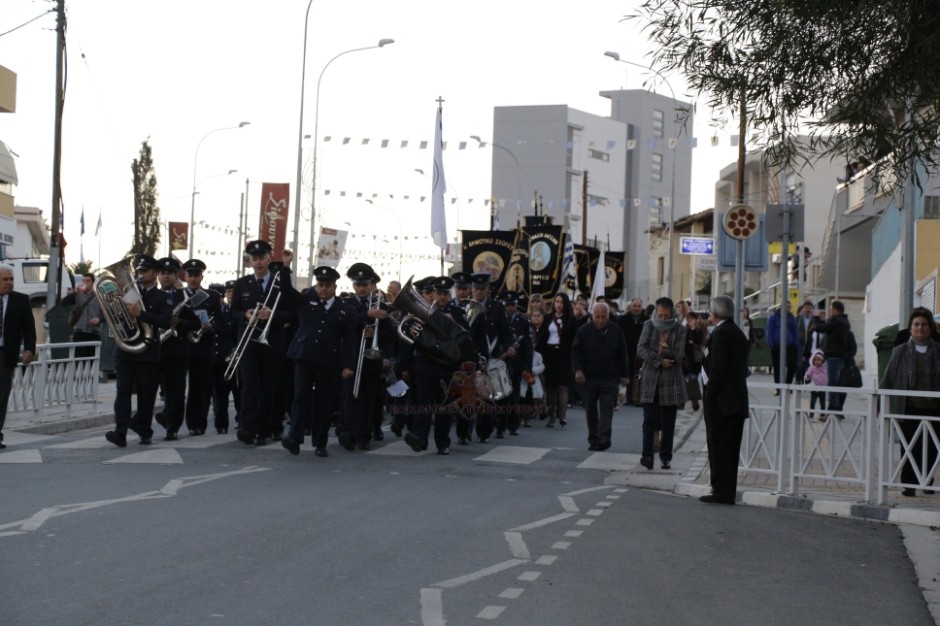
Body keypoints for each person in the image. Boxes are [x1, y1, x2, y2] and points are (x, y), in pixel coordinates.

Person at [280, 266, 356, 457]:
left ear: (334, 287)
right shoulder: (306, 301)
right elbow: (286, 292)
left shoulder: (344, 310)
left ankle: (320, 443)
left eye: (327, 285)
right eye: (320, 285)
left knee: (324, 402)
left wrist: (348, 365)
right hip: (304, 356)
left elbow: (349, 340)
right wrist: (285, 268)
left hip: (328, 361)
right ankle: (294, 438)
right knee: (300, 397)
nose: (323, 289)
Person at [105, 255, 172, 447]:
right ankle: (120, 432)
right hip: (126, 349)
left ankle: (144, 430)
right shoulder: (130, 292)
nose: (141, 274)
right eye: (140, 271)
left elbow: (166, 321)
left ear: (155, 273)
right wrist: (114, 307)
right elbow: (117, 316)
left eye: (146, 271)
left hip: (148, 351)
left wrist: (140, 314)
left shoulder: (162, 297)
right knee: (123, 391)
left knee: (146, 394)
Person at [231, 240, 291, 446]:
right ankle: (246, 427)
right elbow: (232, 312)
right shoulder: (242, 283)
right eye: (254, 259)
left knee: (268, 388)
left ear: (268, 258)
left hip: (272, 342)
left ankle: (264, 429)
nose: (258, 263)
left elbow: (292, 313)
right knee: (249, 386)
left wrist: (271, 315)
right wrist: (245, 315)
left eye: (261, 258)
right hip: (248, 342)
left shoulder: (280, 282)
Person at [879, 307, 940, 497]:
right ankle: (909, 484)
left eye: (923, 324)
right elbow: (887, 379)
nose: (919, 328)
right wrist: (879, 406)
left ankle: (927, 480)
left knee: (932, 447)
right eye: (916, 324)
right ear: (910, 328)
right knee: (909, 447)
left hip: (934, 408)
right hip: (908, 407)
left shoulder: (938, 351)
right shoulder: (900, 351)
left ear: (930, 327)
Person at [700, 295, 750, 505]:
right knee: (730, 448)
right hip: (736, 401)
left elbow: (718, 368)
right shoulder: (736, 332)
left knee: (719, 446)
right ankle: (727, 490)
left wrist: (710, 394)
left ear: (715, 314)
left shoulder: (720, 333)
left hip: (722, 401)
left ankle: (720, 490)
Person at [636, 297, 687, 470]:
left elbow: (679, 354)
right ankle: (647, 455)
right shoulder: (648, 326)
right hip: (651, 378)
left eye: (666, 315)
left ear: (672, 312)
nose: (663, 319)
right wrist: (659, 360)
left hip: (671, 380)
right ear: (656, 312)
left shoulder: (679, 329)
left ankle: (666, 456)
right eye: (660, 315)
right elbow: (641, 349)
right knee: (648, 419)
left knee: (668, 421)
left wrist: (664, 349)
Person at [154, 257, 201, 441]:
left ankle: (172, 427)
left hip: (177, 350)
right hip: (156, 350)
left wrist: (180, 322)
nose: (165, 277)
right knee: (159, 389)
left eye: (169, 273)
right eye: (162, 273)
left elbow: (196, 322)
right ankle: (154, 421)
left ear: (175, 276)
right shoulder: (152, 296)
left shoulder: (184, 297)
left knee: (176, 390)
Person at [571, 303, 629, 451]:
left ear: (608, 317)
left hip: (609, 377)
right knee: (590, 409)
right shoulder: (584, 331)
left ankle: (604, 438)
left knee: (607, 408)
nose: (601, 320)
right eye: (598, 317)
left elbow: (622, 353)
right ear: (592, 317)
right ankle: (593, 439)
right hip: (589, 377)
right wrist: (578, 370)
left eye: (604, 317)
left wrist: (624, 374)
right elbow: (576, 352)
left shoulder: (616, 331)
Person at [181, 259, 223, 436]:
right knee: (175, 387)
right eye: (190, 275)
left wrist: (211, 327)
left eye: (196, 275)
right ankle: (174, 419)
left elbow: (221, 321)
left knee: (201, 389)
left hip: (203, 347)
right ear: (185, 276)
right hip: (182, 346)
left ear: (201, 277)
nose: (193, 279)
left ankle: (197, 423)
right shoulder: (178, 295)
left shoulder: (212, 296)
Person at [0, 263, 36, 449]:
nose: (9, 283)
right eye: (5, 279)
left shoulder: (21, 300)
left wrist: (29, 349)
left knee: (2, 395)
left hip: (7, 354)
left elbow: (29, 328)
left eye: (11, 279)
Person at [811, 300, 852, 414]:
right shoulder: (844, 322)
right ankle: (837, 409)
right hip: (839, 357)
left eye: (830, 309)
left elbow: (818, 327)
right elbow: (828, 328)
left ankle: (831, 411)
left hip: (833, 357)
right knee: (836, 384)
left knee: (832, 385)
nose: (830, 312)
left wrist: (816, 318)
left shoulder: (836, 322)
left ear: (835, 310)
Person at [543, 293, 575, 428]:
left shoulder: (571, 320)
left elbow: (574, 340)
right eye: (557, 302)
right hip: (549, 354)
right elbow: (543, 336)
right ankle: (551, 417)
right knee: (550, 387)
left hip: (563, 355)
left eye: (561, 302)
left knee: (562, 386)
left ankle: (562, 415)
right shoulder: (548, 318)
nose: (559, 304)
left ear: (565, 304)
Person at [62, 273, 102, 358]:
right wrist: (74, 293)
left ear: (93, 282)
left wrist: (99, 319)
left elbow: (106, 314)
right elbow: (63, 303)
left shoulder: (98, 296)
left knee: (92, 361)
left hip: (94, 333)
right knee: (79, 361)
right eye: (83, 280)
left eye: (88, 281)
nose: (85, 283)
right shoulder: (78, 295)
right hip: (79, 332)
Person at [617, 298, 648, 405]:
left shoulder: (647, 320)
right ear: (631, 306)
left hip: (641, 353)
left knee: (639, 375)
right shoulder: (622, 320)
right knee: (627, 375)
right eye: (634, 306)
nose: (636, 308)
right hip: (626, 352)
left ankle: (638, 398)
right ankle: (627, 397)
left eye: (639, 306)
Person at [766, 301, 799, 392]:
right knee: (777, 367)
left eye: (790, 307)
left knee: (792, 365)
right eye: (787, 307)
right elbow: (769, 331)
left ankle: (788, 385)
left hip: (790, 345)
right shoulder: (773, 318)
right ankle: (779, 388)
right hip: (777, 345)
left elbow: (795, 331)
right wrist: (770, 344)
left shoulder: (791, 317)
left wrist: (796, 344)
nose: (789, 309)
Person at [683, 309, 706, 412]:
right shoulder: (684, 329)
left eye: (692, 319)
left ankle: (694, 400)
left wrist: (693, 330)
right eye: (688, 319)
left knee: (693, 378)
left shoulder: (700, 330)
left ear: (696, 319)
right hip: (685, 357)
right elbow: (684, 341)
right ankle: (688, 400)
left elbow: (699, 341)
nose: (690, 321)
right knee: (686, 379)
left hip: (696, 358)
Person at [803, 349, 828, 417]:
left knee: (822, 402)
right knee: (812, 401)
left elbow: (825, 376)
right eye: (815, 360)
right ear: (813, 360)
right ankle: (811, 413)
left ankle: (822, 413)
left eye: (819, 360)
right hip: (814, 387)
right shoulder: (812, 368)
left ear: (822, 361)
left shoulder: (824, 368)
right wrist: (807, 376)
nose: (817, 362)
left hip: (822, 388)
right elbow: (808, 375)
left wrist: (818, 376)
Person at [796, 301, 816, 383]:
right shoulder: (798, 319)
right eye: (806, 308)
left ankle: (807, 380)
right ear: (803, 309)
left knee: (810, 364)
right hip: (800, 344)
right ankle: (798, 380)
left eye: (809, 308)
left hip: (811, 345)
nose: (808, 310)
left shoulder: (814, 319)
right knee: (800, 364)